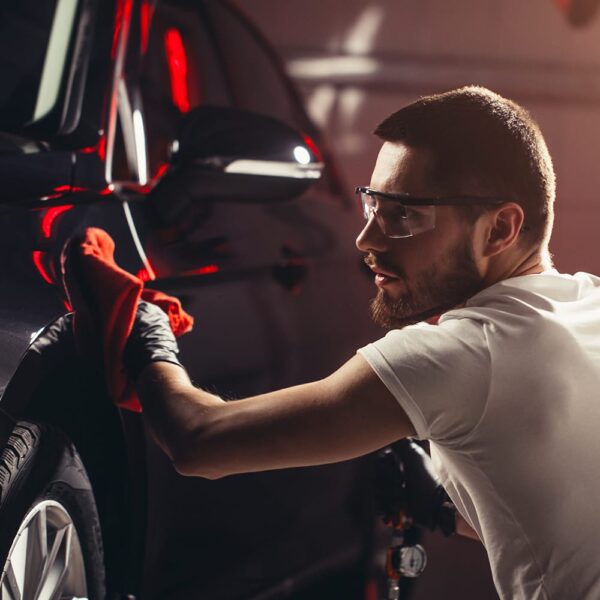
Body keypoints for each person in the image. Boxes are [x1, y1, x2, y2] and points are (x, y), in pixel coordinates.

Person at [123, 85, 600, 600]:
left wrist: (147, 339)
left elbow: (199, 441)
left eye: (404, 215)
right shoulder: (588, 303)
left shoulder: (459, 353)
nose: (366, 240)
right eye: (372, 206)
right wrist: (444, 503)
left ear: (499, 229)